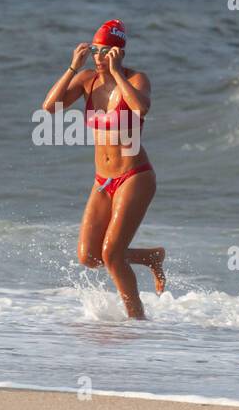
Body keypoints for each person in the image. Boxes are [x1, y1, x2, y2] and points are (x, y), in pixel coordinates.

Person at [40, 20, 165, 318]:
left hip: (134, 176)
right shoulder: (86, 80)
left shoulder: (135, 79)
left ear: (118, 53)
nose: (98, 57)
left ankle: (137, 320)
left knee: (111, 254)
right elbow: (50, 108)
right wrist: (72, 68)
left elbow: (140, 108)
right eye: (96, 50)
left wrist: (116, 73)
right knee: (89, 257)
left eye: (105, 51)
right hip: (102, 180)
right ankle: (150, 257)